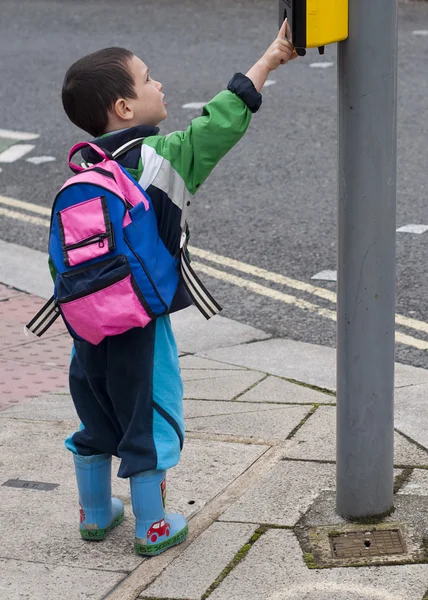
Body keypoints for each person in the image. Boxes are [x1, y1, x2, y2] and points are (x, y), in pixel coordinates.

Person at [58, 19, 296, 556]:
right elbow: (221, 122)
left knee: (95, 409)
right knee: (152, 412)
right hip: (141, 321)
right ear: (124, 108)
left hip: (86, 321)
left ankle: (96, 514)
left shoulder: (82, 172)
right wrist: (269, 59)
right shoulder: (163, 158)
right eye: (148, 79)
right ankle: (153, 527)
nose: (158, 84)